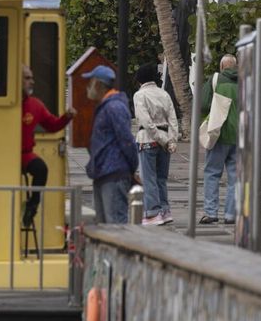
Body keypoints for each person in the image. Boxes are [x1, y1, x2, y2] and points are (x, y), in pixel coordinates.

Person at [20, 65, 75, 228]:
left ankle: (32, 206)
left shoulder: (35, 105)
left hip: (24, 154)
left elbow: (52, 125)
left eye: (31, 78)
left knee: (41, 168)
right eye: (27, 78)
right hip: (5, 155)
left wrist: (67, 117)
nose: (32, 82)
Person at [82, 65, 138, 224]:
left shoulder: (114, 107)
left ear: (99, 85)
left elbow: (127, 141)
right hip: (103, 172)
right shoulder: (106, 106)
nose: (88, 87)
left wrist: (131, 169)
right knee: (103, 225)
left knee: (115, 225)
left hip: (113, 172)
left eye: (90, 82)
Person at [133, 63, 178, 226]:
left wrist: (160, 138)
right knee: (161, 178)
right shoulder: (164, 94)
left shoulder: (139, 95)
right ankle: (165, 211)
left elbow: (145, 121)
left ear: (140, 80)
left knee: (149, 177)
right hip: (165, 138)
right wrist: (171, 140)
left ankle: (152, 212)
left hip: (147, 139)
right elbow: (172, 118)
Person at [201, 54, 239, 224]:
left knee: (212, 173)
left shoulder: (216, 79)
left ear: (222, 67)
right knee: (235, 177)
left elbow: (203, 104)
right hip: (239, 136)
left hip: (219, 134)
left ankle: (211, 212)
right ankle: (231, 215)